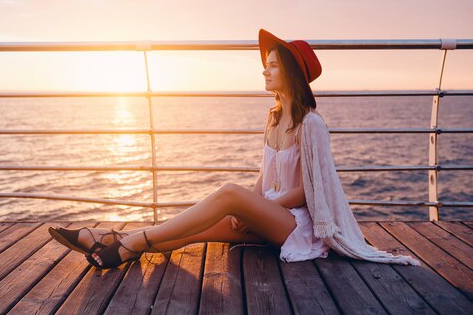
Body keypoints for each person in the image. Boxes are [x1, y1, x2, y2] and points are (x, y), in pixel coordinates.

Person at [49, 29, 420, 268]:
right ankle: (117, 245)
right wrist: (252, 207)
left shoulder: (312, 125)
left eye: (272, 66)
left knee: (228, 192)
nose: (264, 71)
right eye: (266, 65)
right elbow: (264, 176)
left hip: (294, 225)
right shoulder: (273, 119)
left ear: (290, 73)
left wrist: (257, 206)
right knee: (194, 230)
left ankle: (115, 240)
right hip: (267, 215)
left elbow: (311, 191)